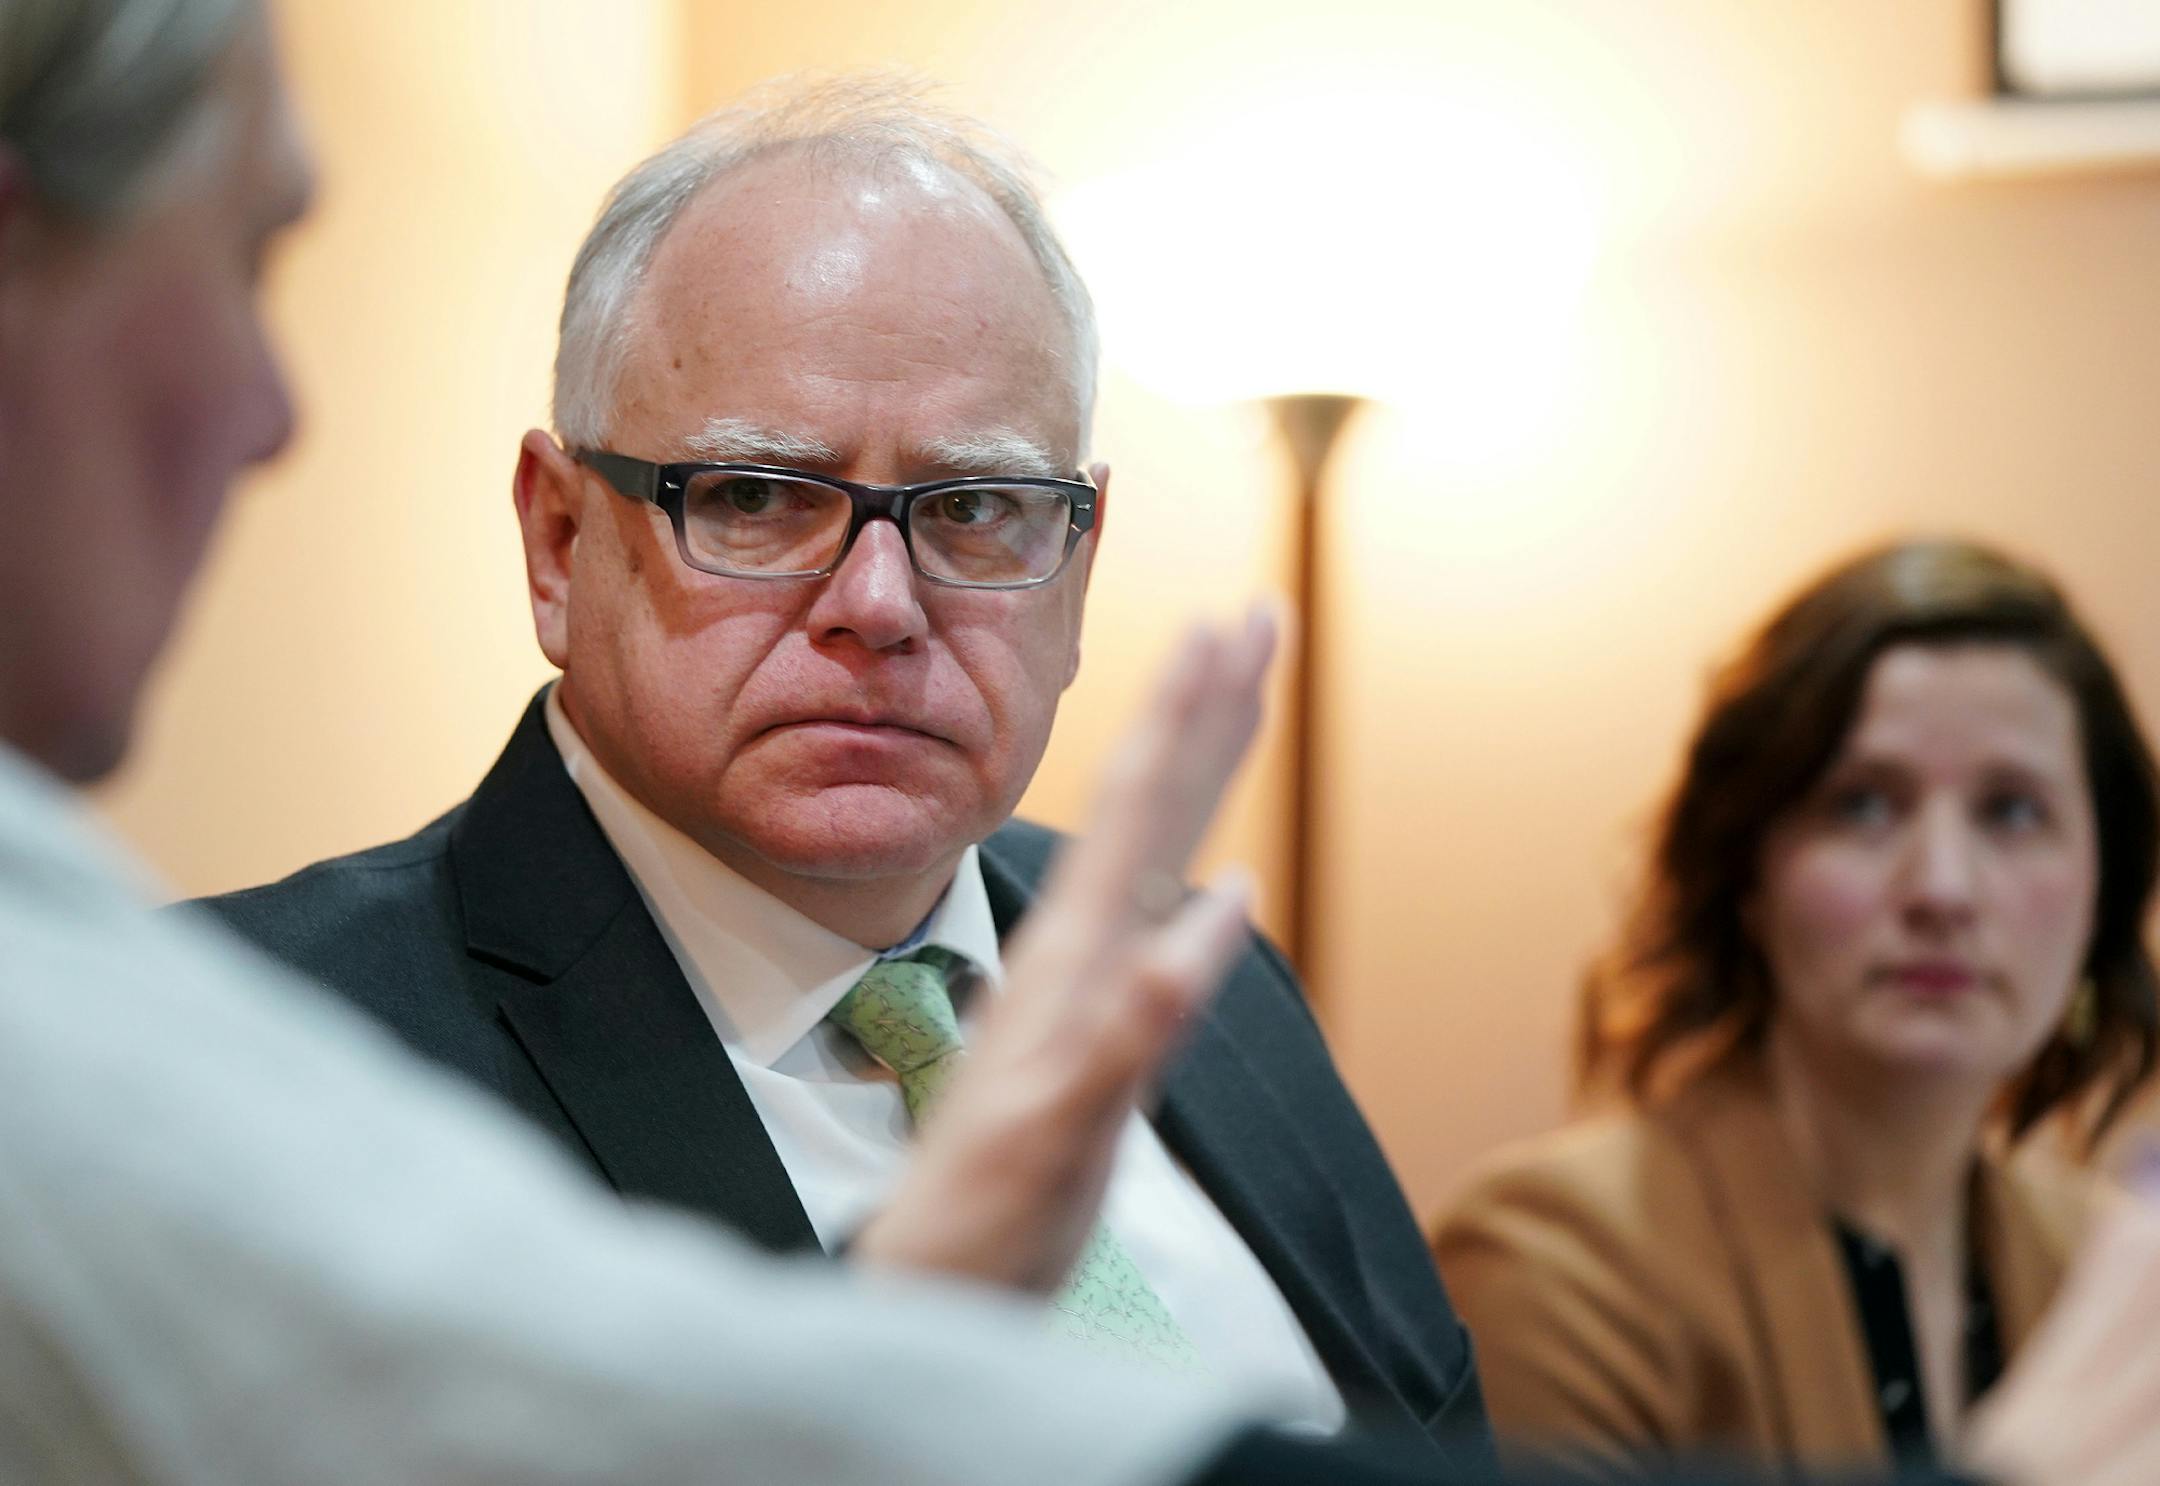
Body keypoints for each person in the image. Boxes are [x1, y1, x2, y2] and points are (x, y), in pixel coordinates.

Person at [191, 72, 1482, 1457]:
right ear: (560, 541)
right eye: (755, 497)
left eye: (977, 506)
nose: (879, 600)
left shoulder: (1197, 974)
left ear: (1080, 562)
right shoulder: (251, 1050)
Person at [1434, 538, 2160, 1476]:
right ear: (1747, 873)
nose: (1942, 887)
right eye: (1862, 805)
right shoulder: (1557, 1264)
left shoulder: (2109, 1275)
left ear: (2104, 895)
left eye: (2013, 811)